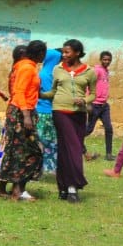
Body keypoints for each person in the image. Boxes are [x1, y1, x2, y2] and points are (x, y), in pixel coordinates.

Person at [0, 40, 46, 201]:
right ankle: (18, 190)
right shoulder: (27, 68)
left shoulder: (24, 66)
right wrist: (26, 116)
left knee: (15, 149)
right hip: (21, 112)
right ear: (39, 54)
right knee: (31, 151)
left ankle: (7, 188)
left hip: (22, 110)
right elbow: (19, 92)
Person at [47, 39, 97, 202]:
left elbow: (93, 94)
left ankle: (62, 186)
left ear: (77, 52)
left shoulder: (89, 71)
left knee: (66, 149)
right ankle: (72, 187)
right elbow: (53, 91)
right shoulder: (57, 69)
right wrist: (38, 94)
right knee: (74, 148)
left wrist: (85, 101)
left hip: (79, 114)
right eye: (63, 52)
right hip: (60, 111)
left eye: (67, 52)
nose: (64, 55)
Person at [84, 50, 114, 161]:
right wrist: (88, 103)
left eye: (109, 60)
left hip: (104, 106)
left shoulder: (106, 71)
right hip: (94, 104)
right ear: (101, 60)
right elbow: (88, 85)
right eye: (105, 59)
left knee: (109, 128)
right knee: (89, 129)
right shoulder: (97, 70)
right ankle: (75, 143)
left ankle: (109, 154)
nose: (107, 61)